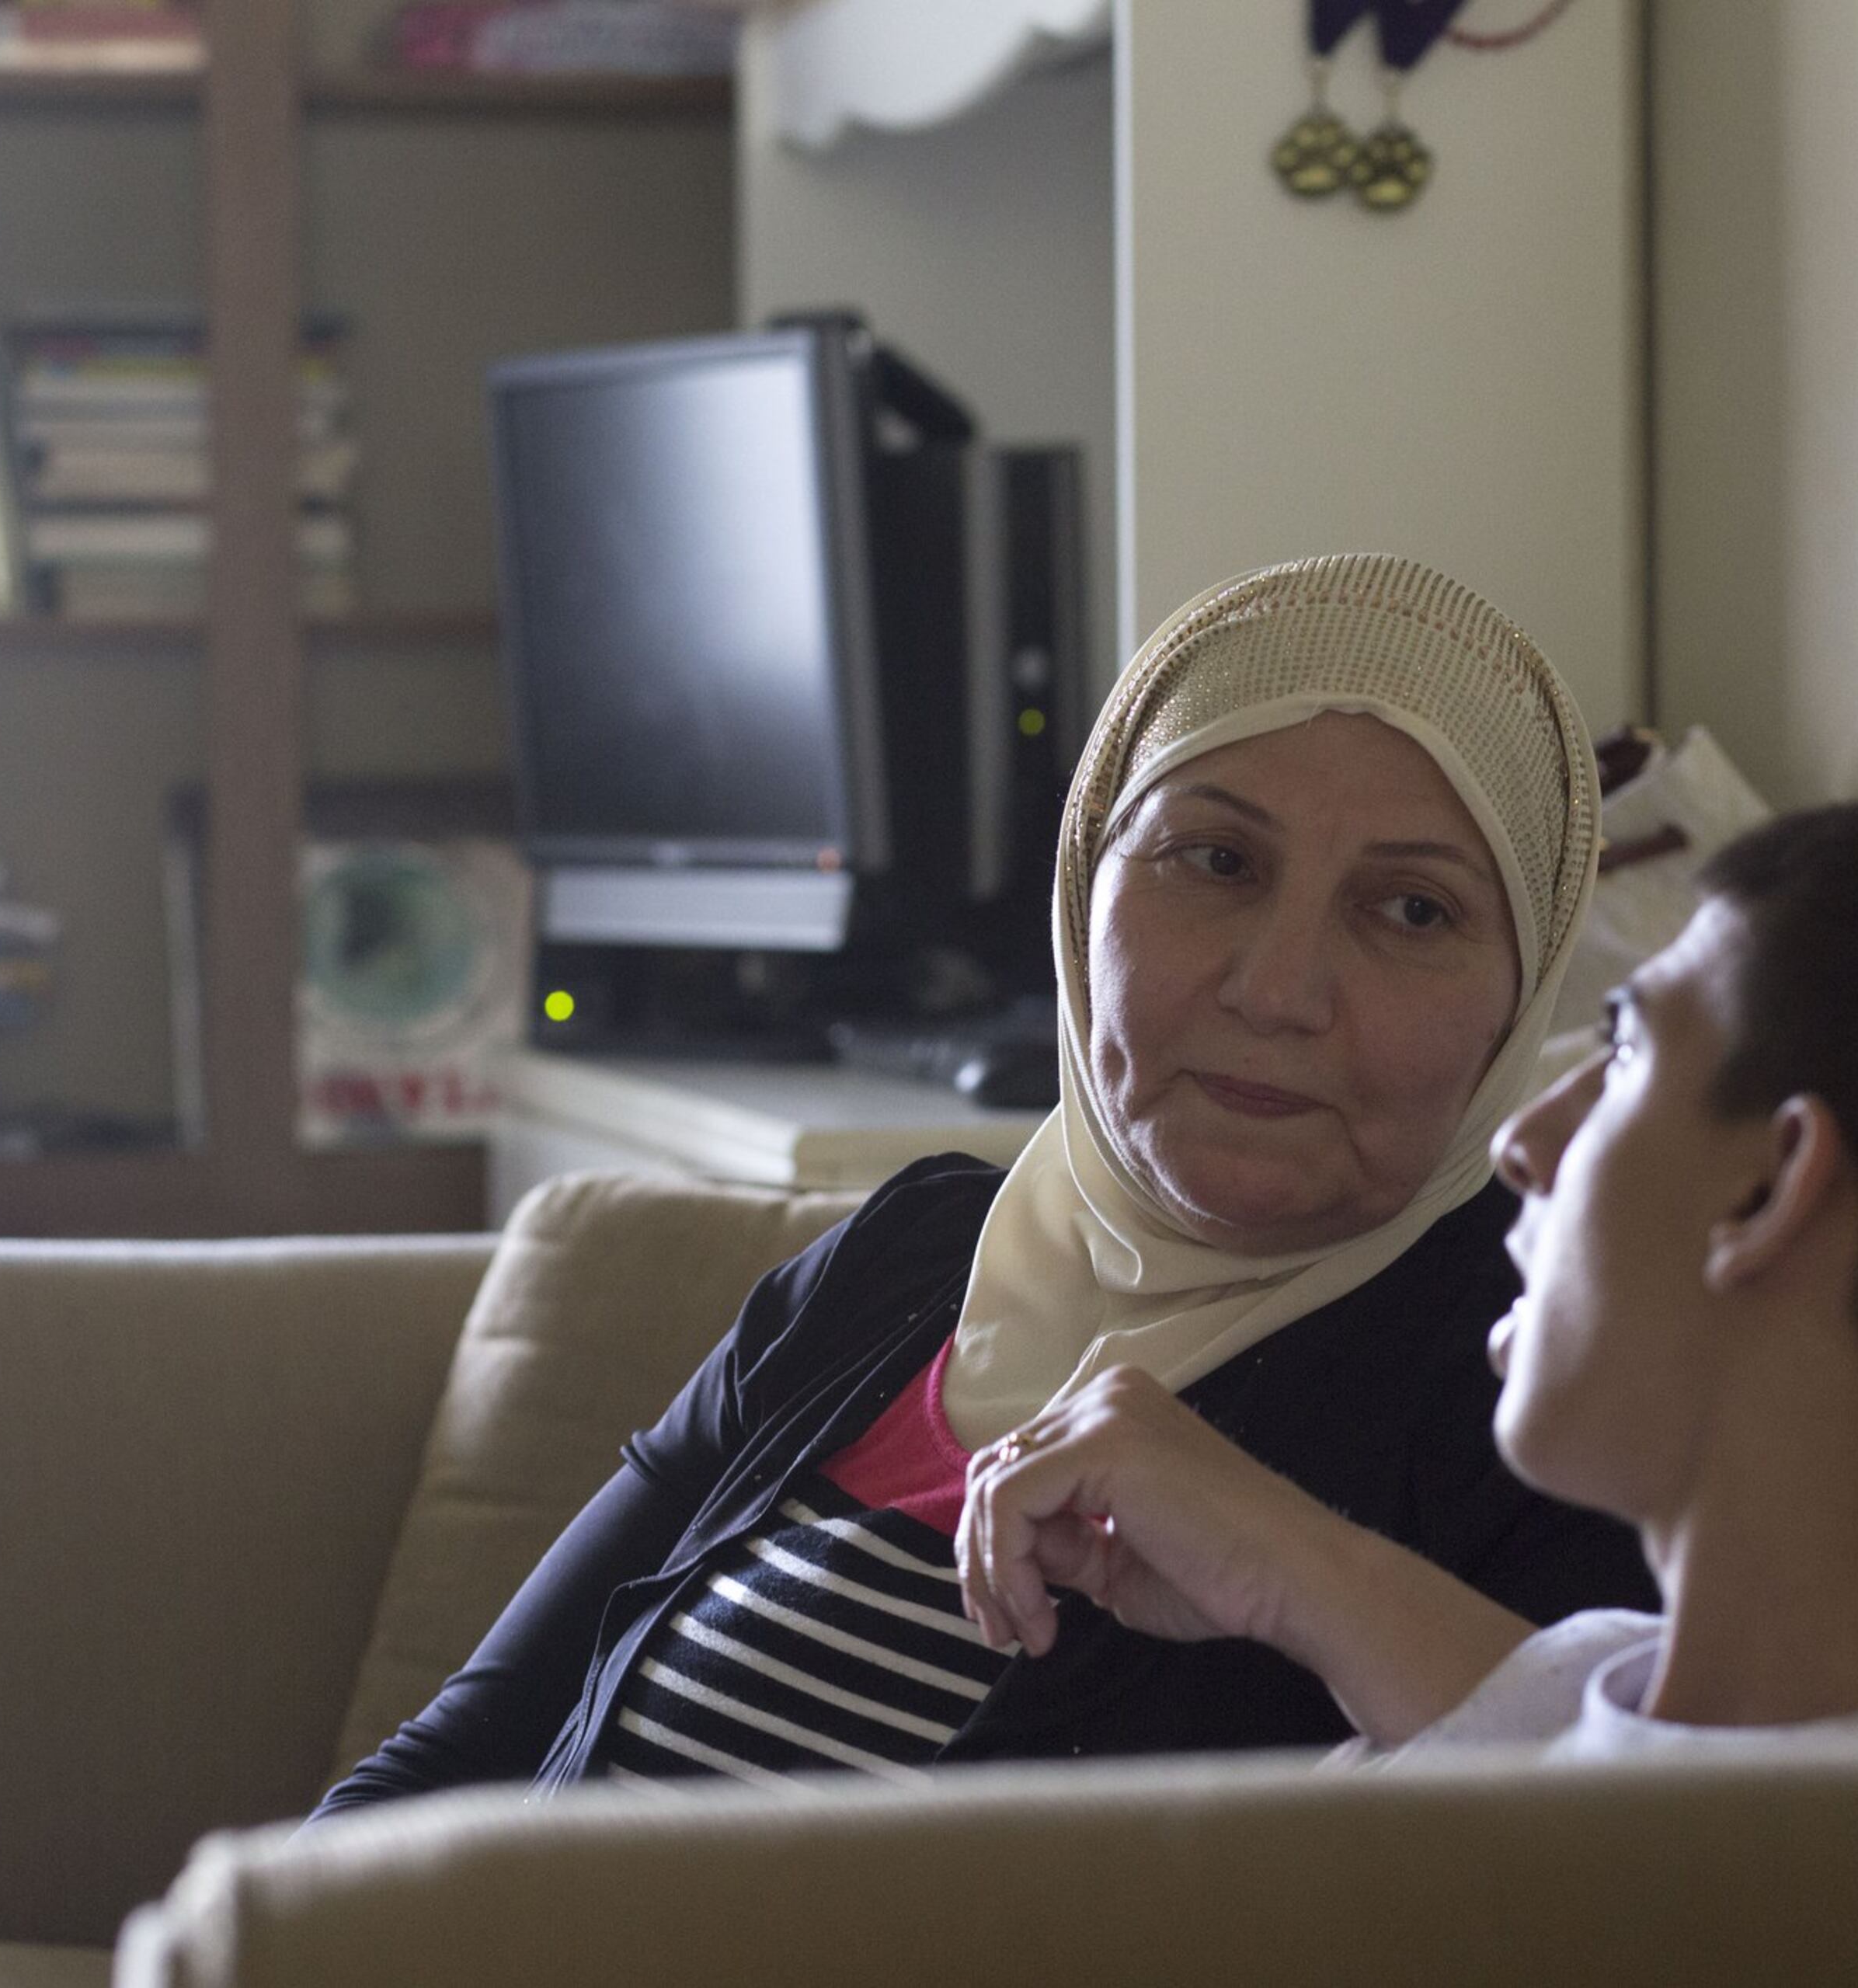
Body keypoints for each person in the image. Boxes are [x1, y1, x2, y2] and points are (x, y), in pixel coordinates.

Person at [314, 552, 1657, 1810]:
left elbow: (1670, 1855)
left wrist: (1291, 1560)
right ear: (1086, 894)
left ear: (1519, 994)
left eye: (1412, 910)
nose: (1279, 989)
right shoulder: (908, 1256)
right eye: (1218, 862)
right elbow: (467, 1756)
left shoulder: (1544, 1387)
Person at [954, 795, 1858, 1757]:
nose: (1524, 1141)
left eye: (1622, 1052)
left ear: (1768, 1189)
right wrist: (1286, 1571)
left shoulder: (1816, 1906)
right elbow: (1529, 1705)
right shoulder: (1635, 1707)